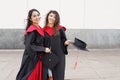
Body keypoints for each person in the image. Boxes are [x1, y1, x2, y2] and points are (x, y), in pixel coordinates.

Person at [16, 9, 51, 80]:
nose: (37, 17)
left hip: (39, 56)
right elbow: (29, 46)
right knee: (32, 76)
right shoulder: (32, 30)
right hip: (33, 58)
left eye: (38, 15)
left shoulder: (39, 28)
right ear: (30, 18)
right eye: (34, 16)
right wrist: (43, 49)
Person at [43, 10, 71, 80]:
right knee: (48, 75)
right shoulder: (43, 30)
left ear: (56, 19)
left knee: (59, 74)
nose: (52, 18)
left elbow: (63, 39)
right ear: (47, 16)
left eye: (54, 17)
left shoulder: (60, 29)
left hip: (59, 55)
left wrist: (66, 43)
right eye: (51, 16)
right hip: (48, 55)